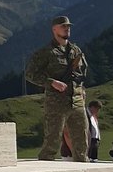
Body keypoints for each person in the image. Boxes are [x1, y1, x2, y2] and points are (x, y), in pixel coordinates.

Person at [25, 15, 88, 161]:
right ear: (54, 29)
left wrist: (81, 89)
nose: (67, 29)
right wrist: (51, 82)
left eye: (68, 26)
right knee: (52, 141)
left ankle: (83, 168)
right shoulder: (46, 52)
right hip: (56, 102)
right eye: (63, 26)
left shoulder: (75, 51)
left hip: (77, 100)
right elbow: (30, 74)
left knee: (82, 141)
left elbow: (82, 73)